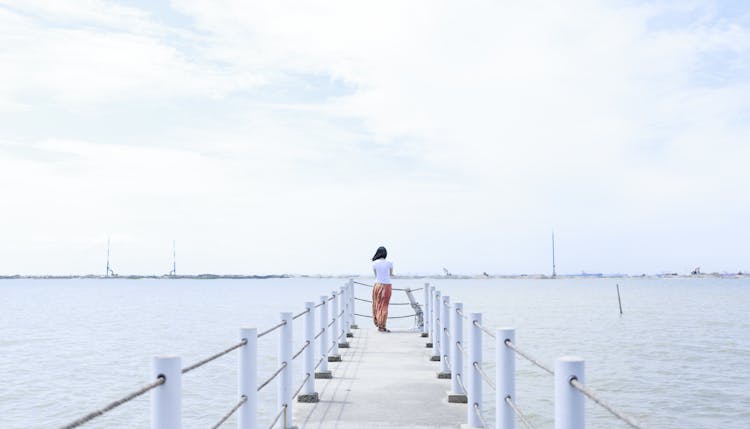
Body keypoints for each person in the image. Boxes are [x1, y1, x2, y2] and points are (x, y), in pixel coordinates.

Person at [371, 246, 393, 332]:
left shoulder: (374, 263)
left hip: (377, 285)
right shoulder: (390, 263)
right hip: (386, 285)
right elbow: (391, 275)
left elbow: (376, 275)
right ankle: (382, 326)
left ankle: (378, 323)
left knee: (376, 304)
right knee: (384, 306)